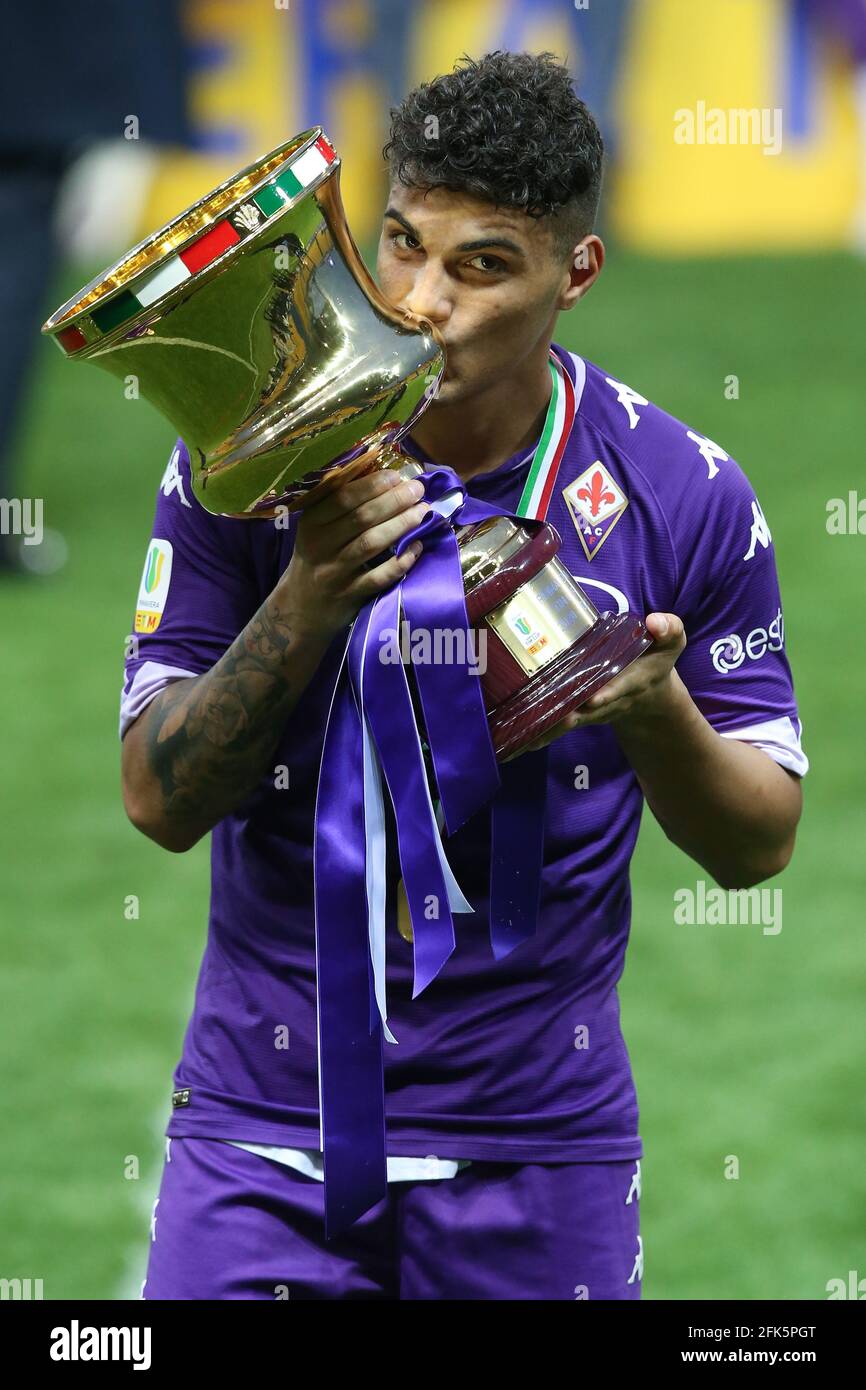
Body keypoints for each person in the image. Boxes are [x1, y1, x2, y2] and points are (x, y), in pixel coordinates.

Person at [122, 50, 807, 1300]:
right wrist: (307, 594)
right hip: (261, 1125)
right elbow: (158, 801)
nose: (422, 300)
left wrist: (656, 713)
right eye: (399, 246)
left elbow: (756, 843)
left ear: (572, 274)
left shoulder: (682, 494)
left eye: (480, 264)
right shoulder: (246, 467)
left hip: (539, 1151)